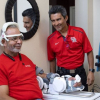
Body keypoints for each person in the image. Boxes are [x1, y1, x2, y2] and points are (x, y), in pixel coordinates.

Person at [47, 5, 94, 91]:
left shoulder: (79, 32)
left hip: (80, 73)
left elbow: (89, 51)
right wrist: (53, 78)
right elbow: (52, 60)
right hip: (62, 75)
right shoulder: (50, 39)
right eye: (53, 21)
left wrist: (91, 71)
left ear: (66, 18)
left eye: (58, 19)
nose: (56, 23)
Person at [0, 22, 43, 100]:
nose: (19, 42)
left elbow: (37, 74)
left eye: (20, 38)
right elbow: (3, 97)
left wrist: (53, 77)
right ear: (3, 42)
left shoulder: (24, 58)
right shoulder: (1, 64)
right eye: (14, 38)